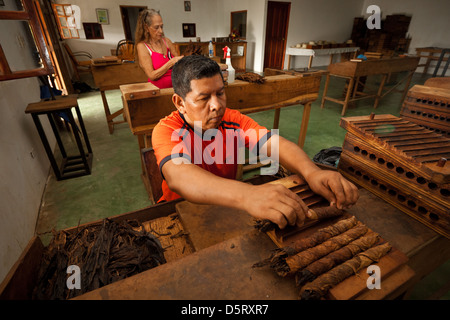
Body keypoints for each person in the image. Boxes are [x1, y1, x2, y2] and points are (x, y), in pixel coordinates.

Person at [151, 55, 359, 229]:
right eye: (204, 98)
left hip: (227, 205)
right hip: (180, 214)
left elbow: (275, 144)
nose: (216, 105)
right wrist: (248, 195)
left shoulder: (232, 121)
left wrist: (312, 172)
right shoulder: (167, 130)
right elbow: (180, 177)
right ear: (180, 102)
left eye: (220, 93)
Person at [135, 9, 183, 88]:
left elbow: (178, 65)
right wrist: (171, 63)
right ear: (146, 27)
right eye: (156, 27)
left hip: (176, 87)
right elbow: (152, 76)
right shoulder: (142, 46)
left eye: (162, 26)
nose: (161, 31)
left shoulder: (167, 41)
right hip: (158, 91)